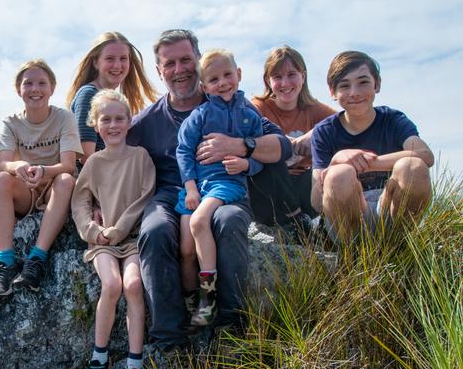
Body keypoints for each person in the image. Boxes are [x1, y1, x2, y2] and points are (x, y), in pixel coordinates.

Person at [127, 29, 293, 350]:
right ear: (159, 71)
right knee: (156, 230)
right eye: (170, 63)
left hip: (225, 188)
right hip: (171, 193)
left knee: (228, 222)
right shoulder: (146, 122)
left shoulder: (231, 107)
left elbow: (282, 147)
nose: (179, 70)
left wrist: (240, 145)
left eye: (186, 60)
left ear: (199, 62)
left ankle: (230, 328)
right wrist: (92, 201)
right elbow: (108, 153)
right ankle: (170, 340)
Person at [71, 90, 155, 369]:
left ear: (130, 122)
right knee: (112, 284)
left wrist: (120, 228)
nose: (113, 124)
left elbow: (145, 196)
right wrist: (93, 231)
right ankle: (99, 358)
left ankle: (135, 365)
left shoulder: (140, 157)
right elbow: (80, 202)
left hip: (131, 237)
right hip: (103, 241)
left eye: (120, 118)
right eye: (106, 119)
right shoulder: (93, 163)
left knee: (133, 285)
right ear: (95, 124)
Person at [175, 49, 263, 327]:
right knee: (186, 249)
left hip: (226, 184)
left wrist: (245, 165)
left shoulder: (250, 116)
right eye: (214, 79)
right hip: (197, 187)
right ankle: (191, 303)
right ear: (204, 86)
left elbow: (259, 158)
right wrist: (190, 189)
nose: (223, 82)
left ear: (239, 74)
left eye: (228, 75)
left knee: (200, 221)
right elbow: (184, 151)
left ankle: (209, 298)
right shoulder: (200, 115)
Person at [310, 50, 433, 242]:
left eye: (363, 82)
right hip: (348, 222)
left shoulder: (392, 120)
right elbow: (316, 203)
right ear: (332, 92)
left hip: (390, 210)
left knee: (412, 166)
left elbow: (425, 155)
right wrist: (336, 161)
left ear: (377, 84)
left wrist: (367, 163)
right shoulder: (324, 132)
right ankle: (352, 255)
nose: (354, 93)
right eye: (344, 85)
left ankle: (401, 246)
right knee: (339, 174)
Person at [0, 59, 82, 298]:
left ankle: (36, 259)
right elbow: (4, 163)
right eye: (28, 83)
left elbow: (68, 165)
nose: (35, 89)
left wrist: (41, 169)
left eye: (42, 83)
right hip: (25, 188)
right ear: (18, 89)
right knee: (0, 179)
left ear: (52, 88)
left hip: (52, 186)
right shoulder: (11, 122)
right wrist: (19, 165)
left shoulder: (64, 118)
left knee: (66, 180)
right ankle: (6, 262)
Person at [252, 45, 336, 217]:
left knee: (330, 166)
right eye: (277, 77)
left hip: (305, 186)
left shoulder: (316, 110)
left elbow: (346, 120)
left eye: (292, 75)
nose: (285, 83)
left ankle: (317, 223)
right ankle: (293, 218)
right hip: (270, 188)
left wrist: (314, 134)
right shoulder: (257, 108)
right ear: (268, 81)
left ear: (303, 76)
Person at [66, 31, 158, 163]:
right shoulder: (88, 95)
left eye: (123, 58)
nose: (117, 65)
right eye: (110, 58)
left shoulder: (117, 101)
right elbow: (85, 157)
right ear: (96, 62)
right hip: (90, 180)